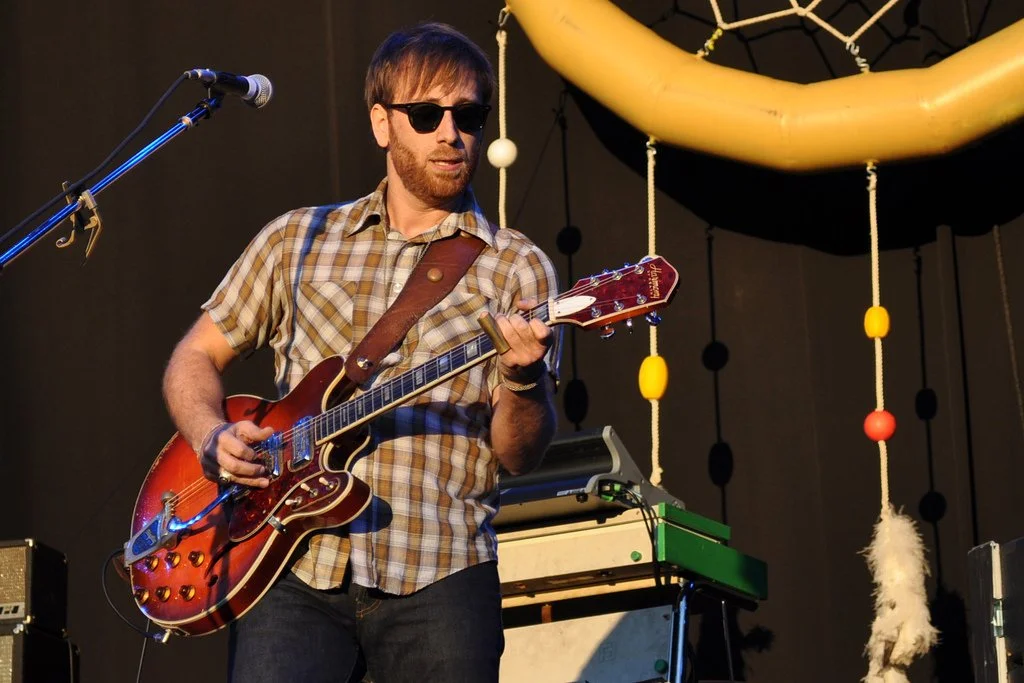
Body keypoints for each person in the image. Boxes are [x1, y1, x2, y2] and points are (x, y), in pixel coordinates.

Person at [161, 21, 560, 683]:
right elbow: (192, 357)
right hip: (291, 571)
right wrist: (210, 434)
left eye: (469, 115)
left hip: (441, 571)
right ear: (382, 123)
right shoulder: (298, 239)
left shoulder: (516, 269)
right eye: (427, 114)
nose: (450, 133)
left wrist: (522, 380)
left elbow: (519, 452)